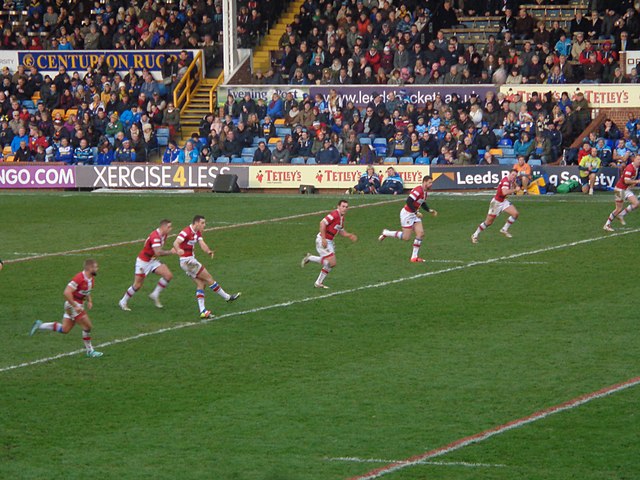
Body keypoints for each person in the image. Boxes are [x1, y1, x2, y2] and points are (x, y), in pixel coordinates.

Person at [29, 259, 103, 358]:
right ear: (89, 268)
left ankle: (40, 325)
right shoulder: (79, 278)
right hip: (73, 305)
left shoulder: (91, 278)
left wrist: (90, 301)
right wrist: (75, 306)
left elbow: (86, 292)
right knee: (87, 326)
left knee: (65, 329)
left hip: (78, 304)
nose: (97, 269)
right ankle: (90, 351)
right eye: (95, 267)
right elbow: (66, 292)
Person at [173, 215, 241, 318]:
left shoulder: (197, 232)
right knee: (209, 278)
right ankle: (227, 297)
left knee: (201, 284)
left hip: (187, 262)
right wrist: (178, 250)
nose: (204, 225)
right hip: (188, 262)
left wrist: (208, 251)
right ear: (196, 223)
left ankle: (203, 311)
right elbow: (175, 242)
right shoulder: (186, 232)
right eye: (202, 223)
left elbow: (202, 243)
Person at [119, 220, 177, 311]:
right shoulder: (155, 237)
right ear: (163, 227)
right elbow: (157, 252)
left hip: (152, 260)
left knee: (168, 275)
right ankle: (123, 301)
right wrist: (171, 252)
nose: (171, 229)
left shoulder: (164, 235)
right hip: (143, 262)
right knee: (137, 285)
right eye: (169, 227)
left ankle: (155, 294)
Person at [378, 176, 438, 263]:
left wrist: (429, 210)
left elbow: (422, 203)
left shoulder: (425, 193)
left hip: (413, 214)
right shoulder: (418, 190)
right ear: (424, 182)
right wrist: (416, 212)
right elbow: (409, 201)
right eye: (430, 182)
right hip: (407, 214)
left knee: (420, 233)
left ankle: (414, 257)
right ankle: (386, 233)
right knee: (406, 237)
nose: (431, 184)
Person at [300, 200, 358, 289]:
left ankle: (318, 281)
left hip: (330, 241)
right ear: (338, 206)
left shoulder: (342, 218)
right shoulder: (334, 214)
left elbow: (341, 231)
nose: (345, 208)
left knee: (331, 263)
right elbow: (322, 223)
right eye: (343, 206)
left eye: (346, 207)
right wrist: (323, 238)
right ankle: (311, 262)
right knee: (332, 262)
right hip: (323, 240)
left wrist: (349, 235)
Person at [471, 170, 521, 243]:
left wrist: (515, 184)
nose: (514, 177)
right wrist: (515, 190)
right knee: (488, 222)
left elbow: (510, 187)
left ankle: (504, 229)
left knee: (515, 214)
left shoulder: (510, 180)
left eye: (515, 176)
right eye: (513, 175)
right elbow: (504, 192)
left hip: (503, 201)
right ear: (509, 174)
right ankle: (475, 235)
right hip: (496, 203)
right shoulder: (506, 181)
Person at [603, 155, 640, 232]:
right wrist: (637, 181)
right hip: (619, 189)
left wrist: (633, 184)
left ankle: (621, 215)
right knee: (618, 208)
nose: (639, 161)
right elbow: (626, 181)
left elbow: (629, 181)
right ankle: (607, 224)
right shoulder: (630, 168)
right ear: (634, 159)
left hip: (626, 189)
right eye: (638, 159)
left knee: (636, 203)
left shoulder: (636, 168)